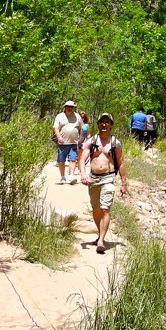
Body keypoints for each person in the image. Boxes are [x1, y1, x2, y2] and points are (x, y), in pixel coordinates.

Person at [81, 113, 127, 254]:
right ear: (98, 124)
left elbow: (120, 162)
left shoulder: (115, 143)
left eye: (107, 122)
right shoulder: (92, 141)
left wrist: (124, 183)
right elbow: (82, 159)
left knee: (105, 208)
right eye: (102, 122)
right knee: (95, 209)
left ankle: (101, 240)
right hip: (93, 179)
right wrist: (83, 175)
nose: (104, 125)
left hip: (108, 178)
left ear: (111, 125)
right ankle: (100, 234)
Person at [52, 100, 82, 185]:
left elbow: (82, 128)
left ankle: (71, 175)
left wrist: (81, 139)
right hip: (62, 143)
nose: (69, 108)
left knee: (72, 159)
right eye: (68, 106)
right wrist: (58, 137)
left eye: (71, 107)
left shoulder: (77, 116)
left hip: (73, 142)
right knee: (61, 161)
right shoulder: (59, 116)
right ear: (65, 107)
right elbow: (56, 128)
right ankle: (62, 177)